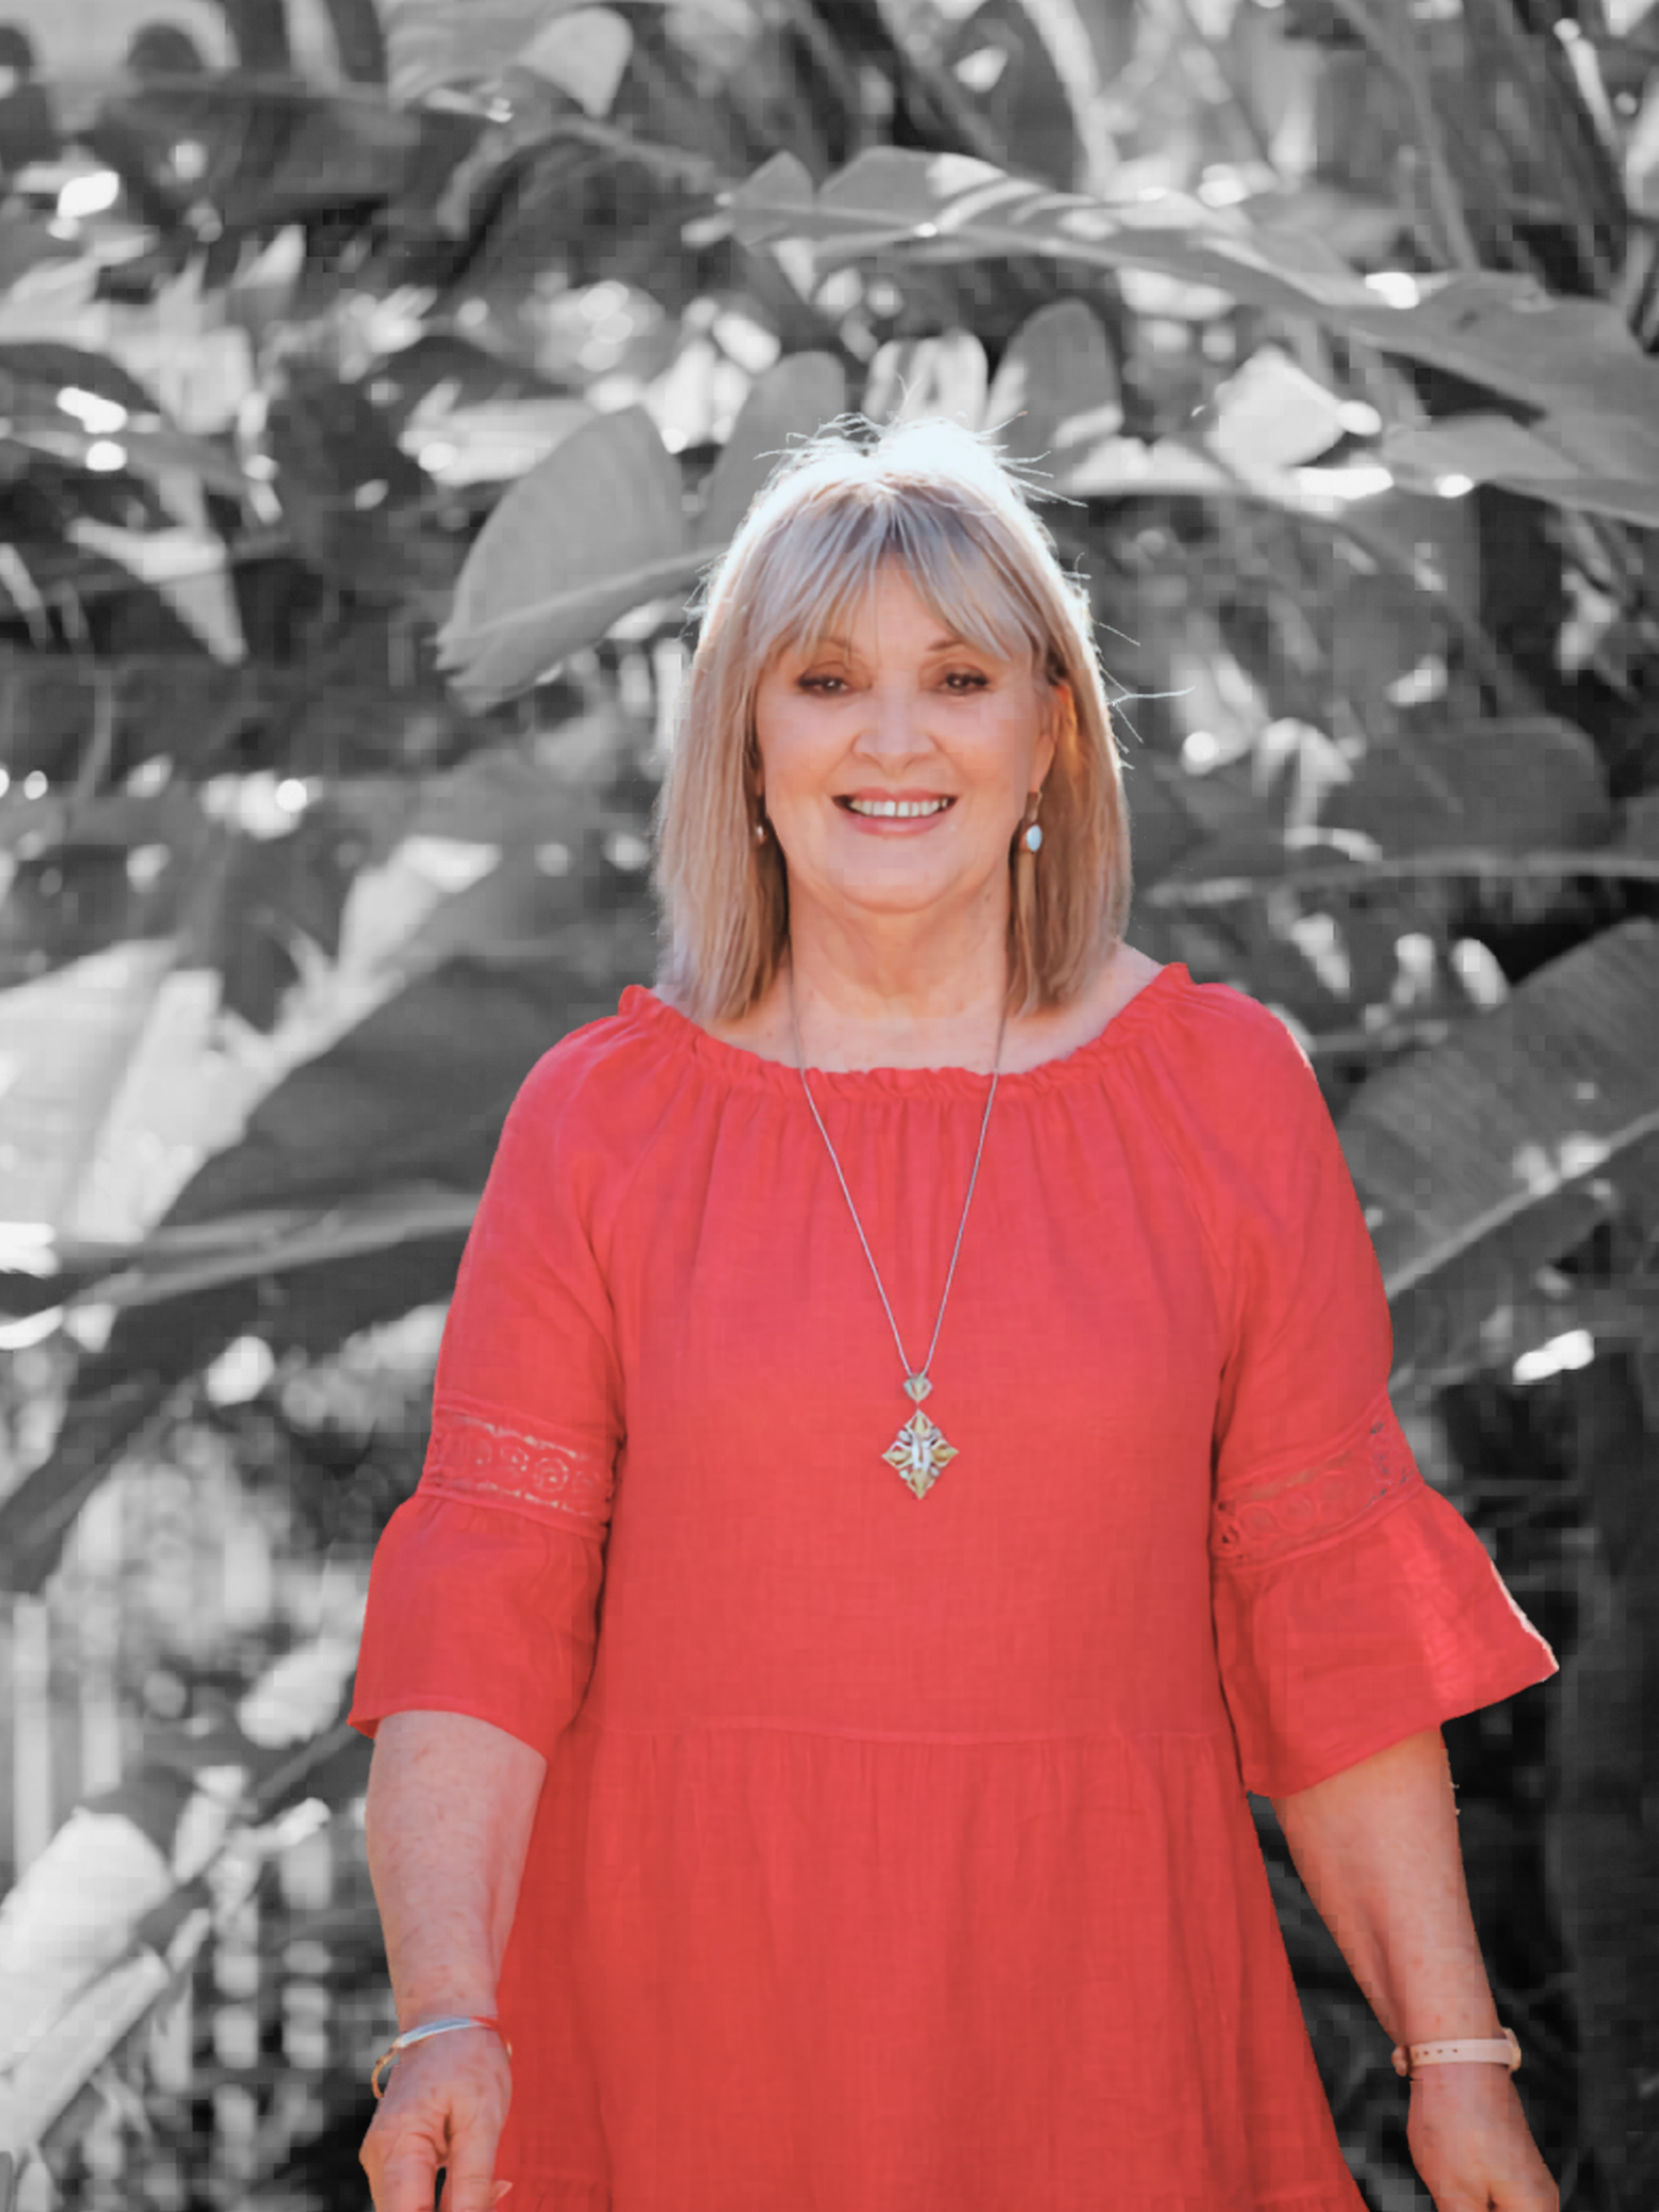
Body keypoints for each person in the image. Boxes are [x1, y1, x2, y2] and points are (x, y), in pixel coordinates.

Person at [350, 417, 1560, 2212]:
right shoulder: (598, 1122)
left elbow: (1328, 1609)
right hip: (683, 2034)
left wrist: (1454, 2056)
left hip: (1109, 2036)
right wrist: (447, 2012)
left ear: (1050, 729)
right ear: (745, 739)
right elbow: (487, 1603)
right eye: (826, 680)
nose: (895, 738)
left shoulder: (1226, 1095)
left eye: (962, 677)